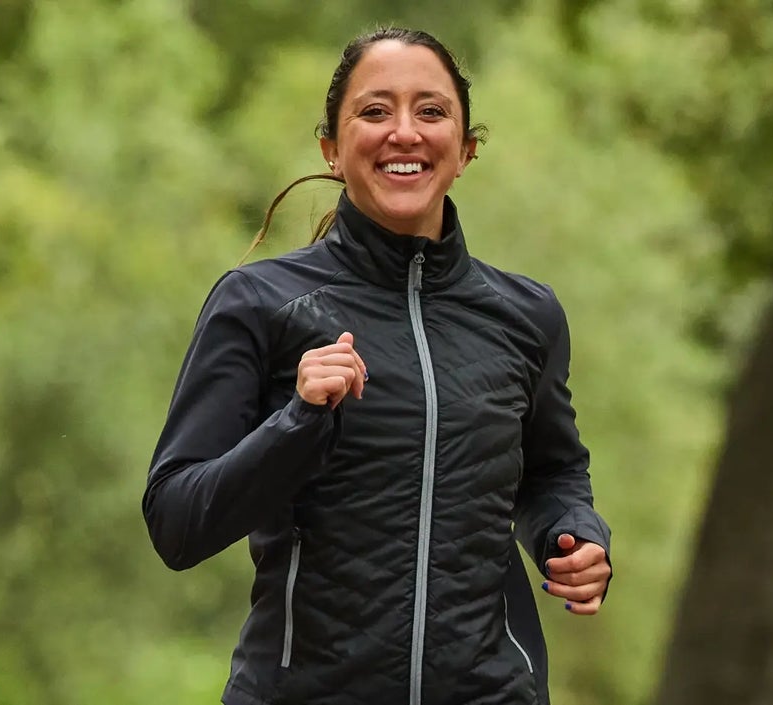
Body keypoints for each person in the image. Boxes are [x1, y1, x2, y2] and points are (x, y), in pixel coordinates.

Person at [143, 27, 611, 705]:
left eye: (430, 111)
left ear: (465, 150)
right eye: (373, 111)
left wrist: (574, 536)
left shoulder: (526, 315)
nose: (404, 133)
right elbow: (177, 522)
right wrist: (298, 422)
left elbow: (551, 473)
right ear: (332, 149)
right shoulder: (258, 302)